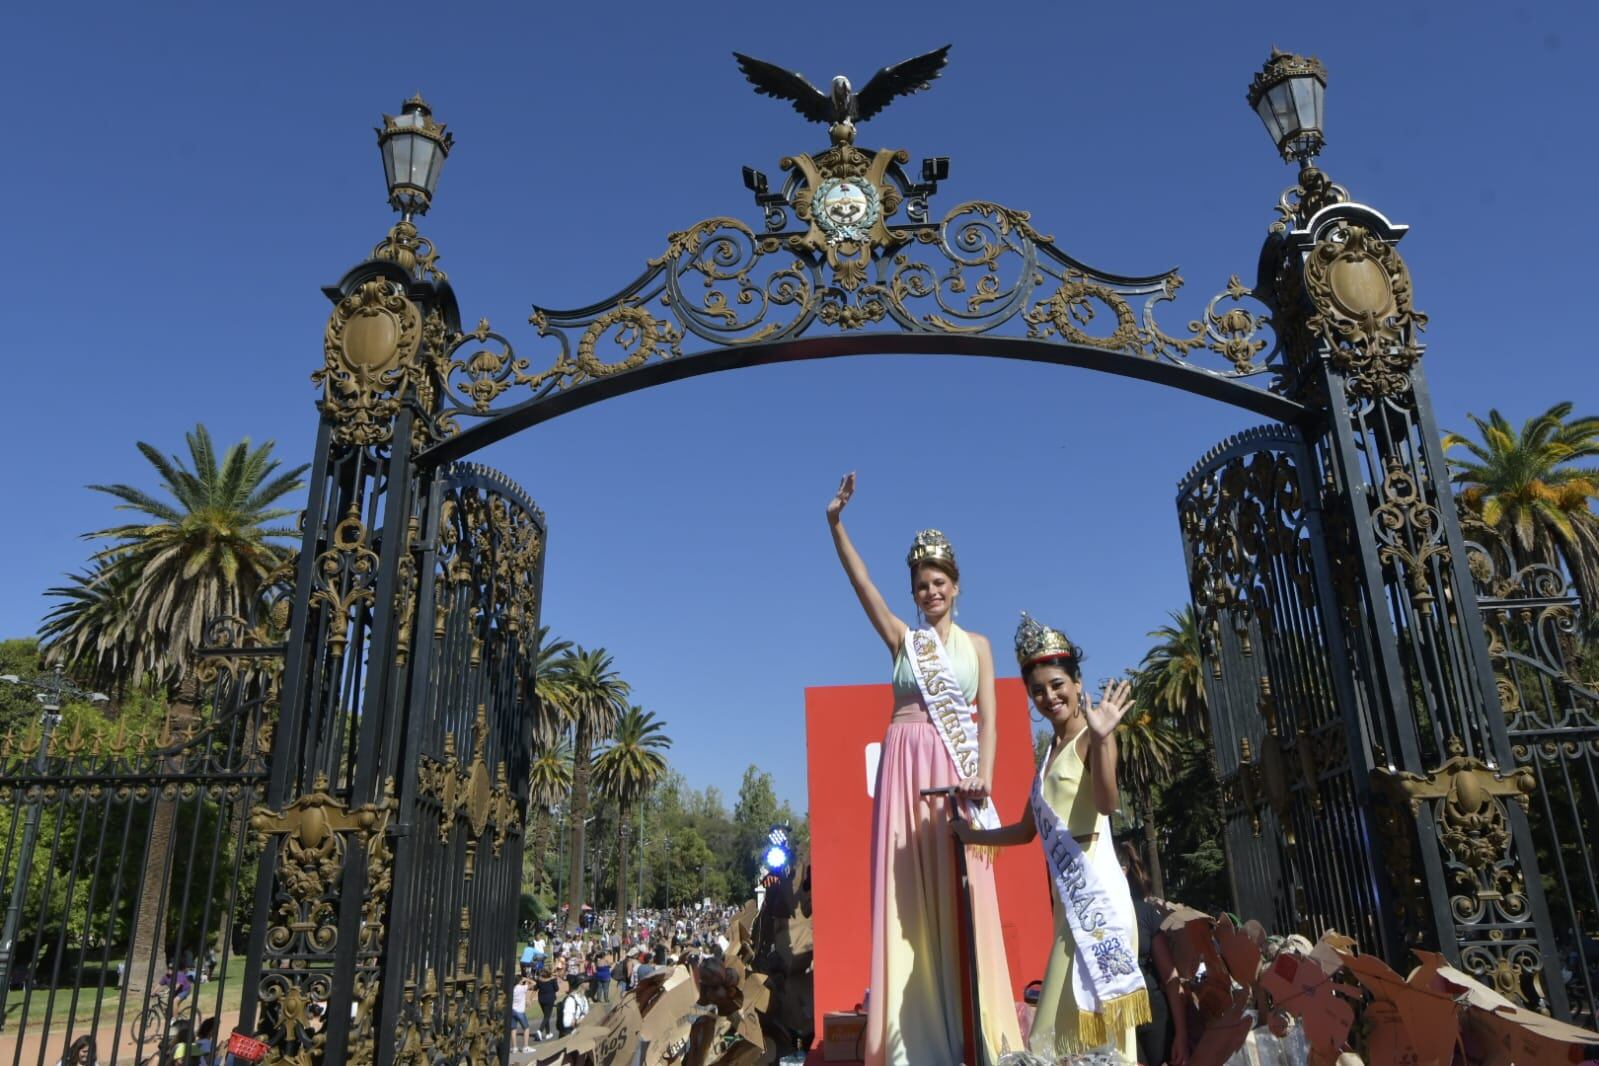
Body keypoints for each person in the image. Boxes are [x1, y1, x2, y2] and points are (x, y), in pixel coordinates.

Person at [826, 474, 1024, 1065]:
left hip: (958, 775)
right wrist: (836, 523)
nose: (930, 592)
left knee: (962, 895)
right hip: (904, 768)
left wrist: (982, 775)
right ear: (913, 594)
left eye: (938, 583)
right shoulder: (902, 641)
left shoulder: (981, 646)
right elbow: (862, 585)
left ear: (956, 587)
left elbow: (989, 719)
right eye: (921, 586)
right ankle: (913, 1039)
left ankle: (974, 1031)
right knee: (907, 900)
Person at [956, 614, 1150, 1062]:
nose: (1049, 696)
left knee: (1064, 1037)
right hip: (1068, 902)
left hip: (1095, 894)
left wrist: (1103, 741)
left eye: (1058, 684)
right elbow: (1027, 830)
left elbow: (1105, 802)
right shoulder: (1049, 752)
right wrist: (971, 836)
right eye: (1038, 690)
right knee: (1071, 1042)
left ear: (1078, 683)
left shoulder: (1093, 736)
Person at [1120, 842, 1187, 1066]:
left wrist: (1181, 1035)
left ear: (1123, 870)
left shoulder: (1147, 913)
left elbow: (1170, 977)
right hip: (1117, 1014)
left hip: (1151, 1010)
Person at [535, 967, 559, 1041]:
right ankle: (540, 1030)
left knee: (546, 1016)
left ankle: (548, 1033)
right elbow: (557, 989)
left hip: (541, 999)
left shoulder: (539, 980)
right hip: (549, 999)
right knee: (547, 1016)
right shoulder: (553, 979)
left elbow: (536, 988)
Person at [510, 974, 533, 1051]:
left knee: (513, 1029)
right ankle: (525, 1047)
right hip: (520, 1011)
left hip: (512, 1010)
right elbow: (534, 983)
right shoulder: (522, 988)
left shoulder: (512, 988)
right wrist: (527, 979)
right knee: (526, 1028)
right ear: (520, 980)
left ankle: (514, 1047)